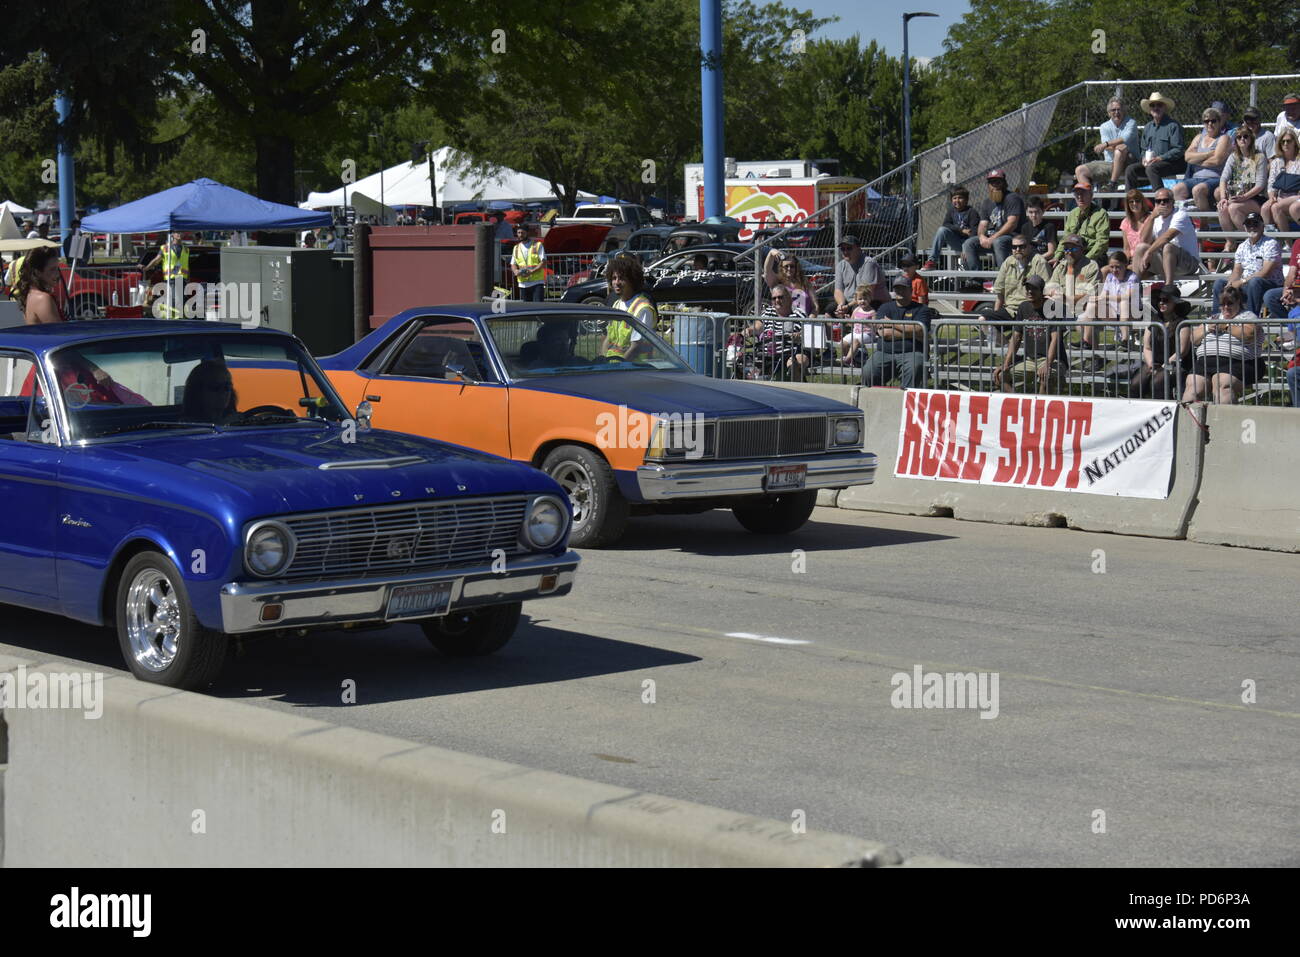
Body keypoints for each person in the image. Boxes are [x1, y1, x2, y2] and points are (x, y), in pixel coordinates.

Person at [1183, 285, 1263, 404]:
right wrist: (1207, 329)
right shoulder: (1213, 318)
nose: (1225, 307)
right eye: (1222, 304)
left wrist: (1225, 326)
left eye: (1229, 303)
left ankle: (1225, 421)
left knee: (1222, 385)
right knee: (1192, 388)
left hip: (1239, 363)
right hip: (1205, 363)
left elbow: (1249, 334)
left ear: (1238, 302)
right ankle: (1189, 421)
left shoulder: (1248, 316)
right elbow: (1193, 338)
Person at [993, 275, 1066, 395]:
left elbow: (1055, 339)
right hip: (1030, 360)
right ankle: (1020, 406)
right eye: (1027, 288)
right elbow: (1016, 337)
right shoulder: (1023, 307)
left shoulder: (1054, 307)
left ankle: (1040, 410)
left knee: (1045, 376)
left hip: (1054, 360)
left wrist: (1047, 364)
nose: (1030, 291)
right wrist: (1006, 363)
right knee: (1001, 376)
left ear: (1042, 291)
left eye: (1034, 288)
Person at [860, 277, 934, 390]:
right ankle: (873, 400)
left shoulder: (921, 309)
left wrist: (892, 324)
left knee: (915, 367)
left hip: (912, 352)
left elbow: (919, 329)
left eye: (903, 288)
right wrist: (912, 333)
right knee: (868, 371)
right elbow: (885, 333)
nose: (899, 291)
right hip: (884, 352)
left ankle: (907, 401)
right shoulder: (885, 307)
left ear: (911, 290)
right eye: (897, 288)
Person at [1211, 211, 1281, 315]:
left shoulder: (1271, 243)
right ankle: (1217, 320)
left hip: (1269, 285)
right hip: (1247, 285)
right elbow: (1237, 271)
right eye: (1248, 224)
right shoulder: (1242, 246)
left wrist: (1241, 282)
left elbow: (1265, 272)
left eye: (1255, 224)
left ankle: (1250, 321)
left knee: (1255, 282)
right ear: (1244, 227)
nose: (1252, 227)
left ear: (1262, 226)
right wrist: (1230, 284)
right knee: (1219, 283)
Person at [1130, 286, 1193, 400]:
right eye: (1160, 300)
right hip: (1156, 362)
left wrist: (1166, 364)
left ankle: (1164, 414)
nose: (1161, 303)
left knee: (1157, 383)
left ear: (1175, 303)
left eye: (1166, 300)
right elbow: (1147, 347)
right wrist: (1150, 363)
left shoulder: (1183, 322)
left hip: (1177, 364)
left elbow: (1182, 351)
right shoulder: (1154, 320)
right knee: (1135, 383)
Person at [1216, 125, 1268, 251]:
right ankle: (1230, 242)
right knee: (1222, 207)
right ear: (1236, 141)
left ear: (1251, 139)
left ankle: (1251, 241)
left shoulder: (1259, 157)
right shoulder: (1233, 157)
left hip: (1256, 198)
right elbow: (1223, 178)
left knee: (1234, 208)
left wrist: (1244, 197)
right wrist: (1223, 198)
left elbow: (1260, 185)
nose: (1242, 139)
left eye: (1245, 136)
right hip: (1238, 196)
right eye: (1239, 137)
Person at [1133, 189, 1201, 283]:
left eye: (1165, 200)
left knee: (1168, 247)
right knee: (1140, 248)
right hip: (1166, 261)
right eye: (1158, 201)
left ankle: (1169, 287)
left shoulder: (1180, 215)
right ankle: (1133, 290)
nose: (1162, 203)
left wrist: (1149, 252)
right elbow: (1144, 240)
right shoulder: (1156, 219)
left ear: (1172, 202)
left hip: (1188, 263)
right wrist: (1151, 218)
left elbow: (1167, 237)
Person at [1123, 91, 1185, 193]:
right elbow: (1143, 149)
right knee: (1130, 169)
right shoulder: (1147, 127)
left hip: (1171, 164)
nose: (1156, 108)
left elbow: (1178, 149)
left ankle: (1161, 199)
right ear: (1150, 109)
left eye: (1159, 105)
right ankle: (1130, 200)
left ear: (1164, 107)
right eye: (1152, 105)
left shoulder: (1173, 126)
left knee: (1151, 169)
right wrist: (1143, 158)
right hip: (1152, 164)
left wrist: (1160, 158)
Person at [962, 169, 1024, 271]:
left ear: (1004, 183)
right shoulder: (987, 202)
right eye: (991, 182)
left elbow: (1012, 223)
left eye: (998, 182)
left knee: (999, 242)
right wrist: (982, 236)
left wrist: (992, 238)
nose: (994, 185)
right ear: (988, 185)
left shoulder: (1012, 198)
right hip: (993, 237)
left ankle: (1003, 278)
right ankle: (975, 280)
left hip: (1013, 237)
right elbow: (983, 224)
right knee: (969, 243)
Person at [985, 235, 1051, 328]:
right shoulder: (1008, 262)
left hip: (1032, 311)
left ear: (1029, 246)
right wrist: (996, 314)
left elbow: (1047, 291)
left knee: (1025, 336)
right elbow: (1000, 292)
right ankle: (1006, 343)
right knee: (984, 320)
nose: (1017, 249)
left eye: (1022, 246)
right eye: (1014, 247)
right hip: (1011, 311)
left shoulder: (1039, 262)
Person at [1172, 108, 1230, 211]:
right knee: (1177, 189)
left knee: (1197, 190)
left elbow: (1217, 160)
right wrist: (1208, 153)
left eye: (1213, 121)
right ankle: (1185, 220)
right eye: (1206, 121)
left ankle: (1205, 223)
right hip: (1195, 178)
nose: (1210, 124)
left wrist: (1196, 160)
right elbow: (1187, 157)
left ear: (1219, 122)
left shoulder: (1224, 138)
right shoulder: (1199, 138)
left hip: (1215, 178)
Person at [1079, 250, 1140, 348]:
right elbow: (1103, 295)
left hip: (1133, 314)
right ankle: (1086, 341)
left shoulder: (1132, 277)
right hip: (1115, 313)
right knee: (1092, 303)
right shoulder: (1109, 277)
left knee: (1124, 302)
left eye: (1118, 267)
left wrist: (1105, 297)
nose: (1114, 270)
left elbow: (1127, 296)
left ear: (1125, 265)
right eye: (1111, 267)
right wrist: (1095, 298)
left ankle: (1125, 340)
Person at [1076, 98, 1139, 191]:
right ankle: (1088, 199)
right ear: (1109, 113)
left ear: (1124, 110)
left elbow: (1124, 139)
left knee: (1120, 151)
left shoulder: (1131, 123)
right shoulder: (1104, 126)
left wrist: (1105, 144)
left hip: (1129, 163)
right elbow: (1111, 147)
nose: (1116, 112)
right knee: (1080, 170)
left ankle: (1112, 184)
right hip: (1110, 163)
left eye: (1119, 109)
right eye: (1113, 110)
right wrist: (1112, 146)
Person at [600, 255, 656, 360]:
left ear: (632, 280)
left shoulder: (642, 308)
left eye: (621, 278)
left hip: (634, 369)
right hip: (613, 367)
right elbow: (608, 338)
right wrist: (602, 360)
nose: (616, 282)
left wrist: (619, 368)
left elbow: (636, 347)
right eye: (614, 278)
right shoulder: (616, 304)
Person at [1046, 233, 1100, 322]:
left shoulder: (1091, 266)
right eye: (1066, 249)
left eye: (1073, 248)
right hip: (1061, 309)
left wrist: (1065, 299)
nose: (1069, 252)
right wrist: (1054, 293)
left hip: (1082, 310)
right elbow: (1050, 288)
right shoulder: (1060, 267)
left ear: (1082, 250)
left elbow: (1090, 295)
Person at [761, 284, 810, 380]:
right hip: (770, 352)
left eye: (780, 297)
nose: (777, 301)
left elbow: (808, 332)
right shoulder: (768, 313)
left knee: (794, 362)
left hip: (793, 350)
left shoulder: (799, 314)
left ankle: (795, 390)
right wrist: (748, 330)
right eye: (774, 298)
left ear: (789, 298)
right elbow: (758, 325)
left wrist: (799, 335)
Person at [923, 187, 979, 270]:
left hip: (968, 244)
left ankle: (974, 279)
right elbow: (946, 224)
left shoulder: (972, 212)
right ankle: (932, 261)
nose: (957, 200)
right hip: (956, 242)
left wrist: (966, 248)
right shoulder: (951, 211)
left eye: (960, 198)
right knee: (942, 230)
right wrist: (961, 230)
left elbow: (974, 233)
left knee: (967, 265)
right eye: (954, 198)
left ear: (966, 200)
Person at [1060, 182, 1110, 268]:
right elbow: (1065, 239)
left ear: (1091, 196)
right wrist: (1057, 257)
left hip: (1093, 255)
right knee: (1059, 267)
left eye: (1083, 194)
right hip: (1073, 254)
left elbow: (1102, 243)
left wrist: (1085, 260)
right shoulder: (1072, 214)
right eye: (1077, 194)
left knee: (1084, 272)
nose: (1080, 197)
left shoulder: (1101, 214)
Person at [833, 236, 884, 314]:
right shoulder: (840, 265)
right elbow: (838, 290)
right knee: (829, 311)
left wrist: (848, 306)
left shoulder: (868, 263)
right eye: (843, 249)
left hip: (869, 301)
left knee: (857, 311)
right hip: (850, 302)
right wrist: (841, 305)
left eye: (849, 248)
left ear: (858, 249)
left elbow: (867, 292)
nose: (845, 252)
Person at [15, 246, 65, 325]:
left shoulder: (31, 293)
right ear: (38, 272)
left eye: (57, 268)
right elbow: (58, 334)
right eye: (52, 269)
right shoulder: (43, 298)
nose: (58, 274)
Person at [145, 232, 190, 318]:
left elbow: (187, 265)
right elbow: (156, 260)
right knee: (174, 299)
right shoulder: (165, 248)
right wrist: (147, 268)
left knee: (180, 300)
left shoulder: (186, 249)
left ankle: (177, 318)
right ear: (172, 235)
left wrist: (188, 278)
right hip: (171, 278)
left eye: (181, 232)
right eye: (177, 233)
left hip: (182, 278)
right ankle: (173, 318)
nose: (179, 234)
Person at [1262, 130, 1300, 231]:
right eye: (1282, 142)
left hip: (1296, 196)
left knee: (1275, 207)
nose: (1285, 144)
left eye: (1288, 141)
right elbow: (1271, 184)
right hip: (1280, 197)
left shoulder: (1299, 161)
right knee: (1265, 208)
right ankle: (1271, 239)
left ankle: (1287, 243)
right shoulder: (1276, 162)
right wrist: (1272, 197)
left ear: (1295, 143)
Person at [764, 248, 819, 315]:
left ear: (796, 267)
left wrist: (809, 319)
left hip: (804, 321)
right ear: (781, 268)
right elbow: (767, 271)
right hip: (785, 322)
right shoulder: (777, 282)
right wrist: (771, 253)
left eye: (792, 266)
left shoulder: (805, 282)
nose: (789, 269)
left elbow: (815, 306)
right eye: (786, 266)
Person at [1262, 236, 1300, 320]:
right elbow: (1291, 273)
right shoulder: (1298, 243)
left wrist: (1296, 294)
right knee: (1270, 296)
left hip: (1297, 288)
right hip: (1296, 287)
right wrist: (1286, 290)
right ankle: (1291, 324)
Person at [510, 223, 547, 302]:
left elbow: (543, 262)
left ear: (527, 233)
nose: (520, 235)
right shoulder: (516, 248)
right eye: (518, 233)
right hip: (523, 284)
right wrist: (515, 271)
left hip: (537, 282)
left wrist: (532, 271)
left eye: (522, 233)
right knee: (527, 309)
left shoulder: (537, 245)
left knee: (538, 308)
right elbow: (513, 263)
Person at [839, 283, 876, 362]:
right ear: (856, 300)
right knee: (843, 342)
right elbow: (851, 324)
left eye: (865, 299)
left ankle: (847, 360)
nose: (862, 301)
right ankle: (849, 358)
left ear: (870, 299)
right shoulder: (856, 310)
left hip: (868, 334)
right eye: (860, 299)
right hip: (856, 332)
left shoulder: (872, 312)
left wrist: (867, 323)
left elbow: (875, 327)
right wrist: (848, 319)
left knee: (855, 341)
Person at [1019, 195, 1058, 260]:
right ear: (1026, 212)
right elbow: (1024, 249)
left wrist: (1035, 260)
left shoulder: (1049, 226)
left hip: (1044, 260)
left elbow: (1051, 252)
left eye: (1036, 212)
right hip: (1029, 259)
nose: (1034, 215)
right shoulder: (1024, 227)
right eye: (1031, 212)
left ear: (1043, 211)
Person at [1120, 190, 1151, 258]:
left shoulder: (1150, 219)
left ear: (1142, 202)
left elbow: (1147, 242)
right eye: (1131, 201)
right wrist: (1126, 265)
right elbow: (1126, 249)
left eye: (1137, 201)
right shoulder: (1125, 222)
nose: (1134, 203)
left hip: (1147, 258)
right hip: (1131, 259)